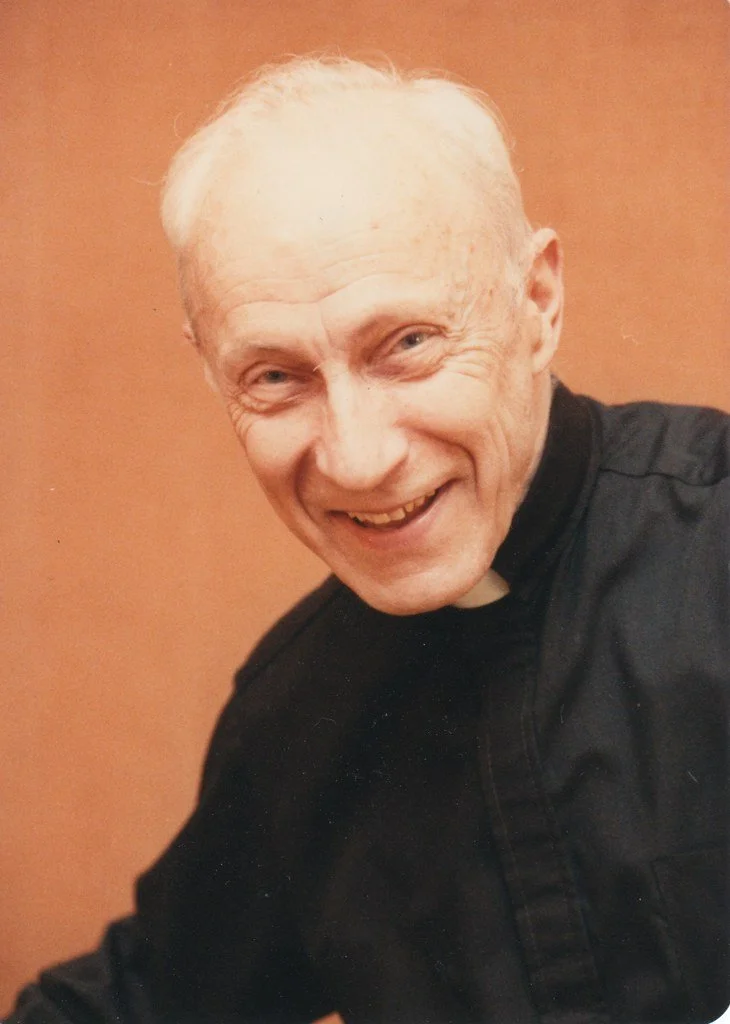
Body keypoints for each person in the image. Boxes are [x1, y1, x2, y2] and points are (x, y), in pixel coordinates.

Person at [8, 56, 729, 1024]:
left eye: (408, 344)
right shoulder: (296, 710)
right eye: (273, 376)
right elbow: (138, 1001)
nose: (353, 459)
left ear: (537, 302)